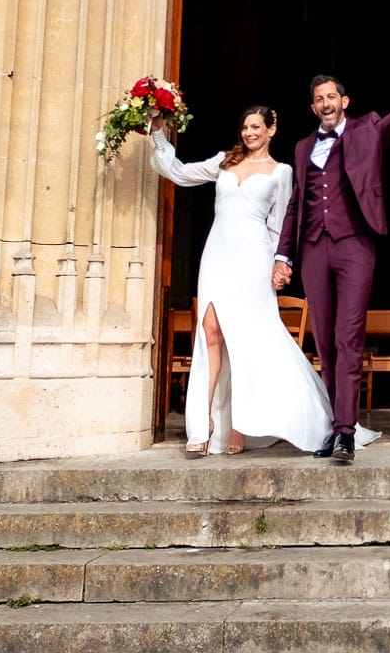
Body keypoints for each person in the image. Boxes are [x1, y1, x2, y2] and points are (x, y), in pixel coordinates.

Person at [151, 106, 377, 456]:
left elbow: (283, 222)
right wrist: (157, 133)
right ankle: (202, 426)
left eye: (256, 126)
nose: (249, 132)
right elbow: (178, 172)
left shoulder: (281, 171)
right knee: (210, 332)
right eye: (245, 126)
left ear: (271, 129)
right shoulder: (224, 161)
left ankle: (241, 427)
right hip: (217, 255)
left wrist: (280, 262)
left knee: (244, 340)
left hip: (254, 259)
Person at [273, 19, 390, 464]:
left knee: (349, 335)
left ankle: (344, 431)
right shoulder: (304, 147)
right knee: (324, 340)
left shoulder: (368, 129)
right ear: (313, 107)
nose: (326, 103)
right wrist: (283, 253)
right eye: (319, 99)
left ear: (345, 101)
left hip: (354, 243)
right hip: (312, 248)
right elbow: (295, 205)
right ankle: (334, 424)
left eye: (332, 97)